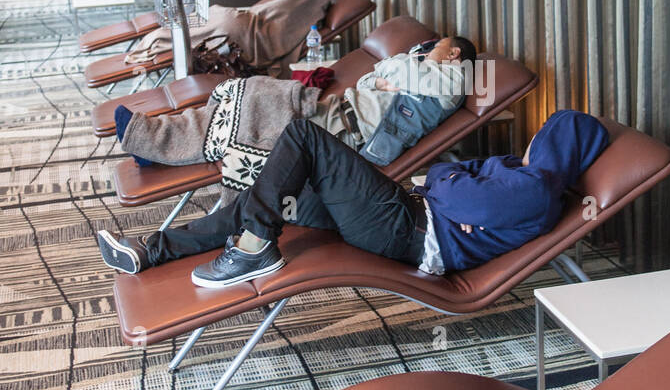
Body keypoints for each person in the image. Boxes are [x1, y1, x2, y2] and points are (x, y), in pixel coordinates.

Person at [96, 109, 609, 288]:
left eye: (550, 135)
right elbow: (453, 178)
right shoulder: (522, 175)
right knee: (277, 195)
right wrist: (447, 182)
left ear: (562, 147)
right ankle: (152, 251)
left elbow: (456, 189)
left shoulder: (536, 189)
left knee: (302, 137)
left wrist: (445, 183)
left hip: (408, 230)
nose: (538, 140)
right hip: (408, 215)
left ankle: (253, 244)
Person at [115, 33, 477, 188]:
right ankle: (159, 143)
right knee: (249, 97)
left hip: (346, 132)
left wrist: (394, 68)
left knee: (256, 99)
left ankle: (154, 141)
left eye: (434, 49)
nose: (423, 53)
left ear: (453, 54)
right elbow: (371, 79)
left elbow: (391, 68)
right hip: (338, 110)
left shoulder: (455, 80)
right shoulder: (425, 76)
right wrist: (385, 75)